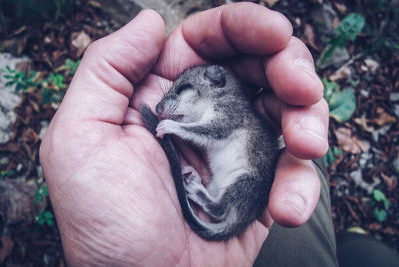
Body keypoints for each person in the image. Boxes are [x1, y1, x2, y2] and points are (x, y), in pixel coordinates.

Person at [40, 2, 333, 266]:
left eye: (180, 91)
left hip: (238, 189)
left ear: (214, 84)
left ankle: (210, 203)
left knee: (264, 177)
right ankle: (208, 200)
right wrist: (176, 125)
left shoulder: (229, 108)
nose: (169, 102)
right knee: (313, 167)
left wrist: (177, 127)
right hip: (227, 189)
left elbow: (218, 133)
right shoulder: (217, 104)